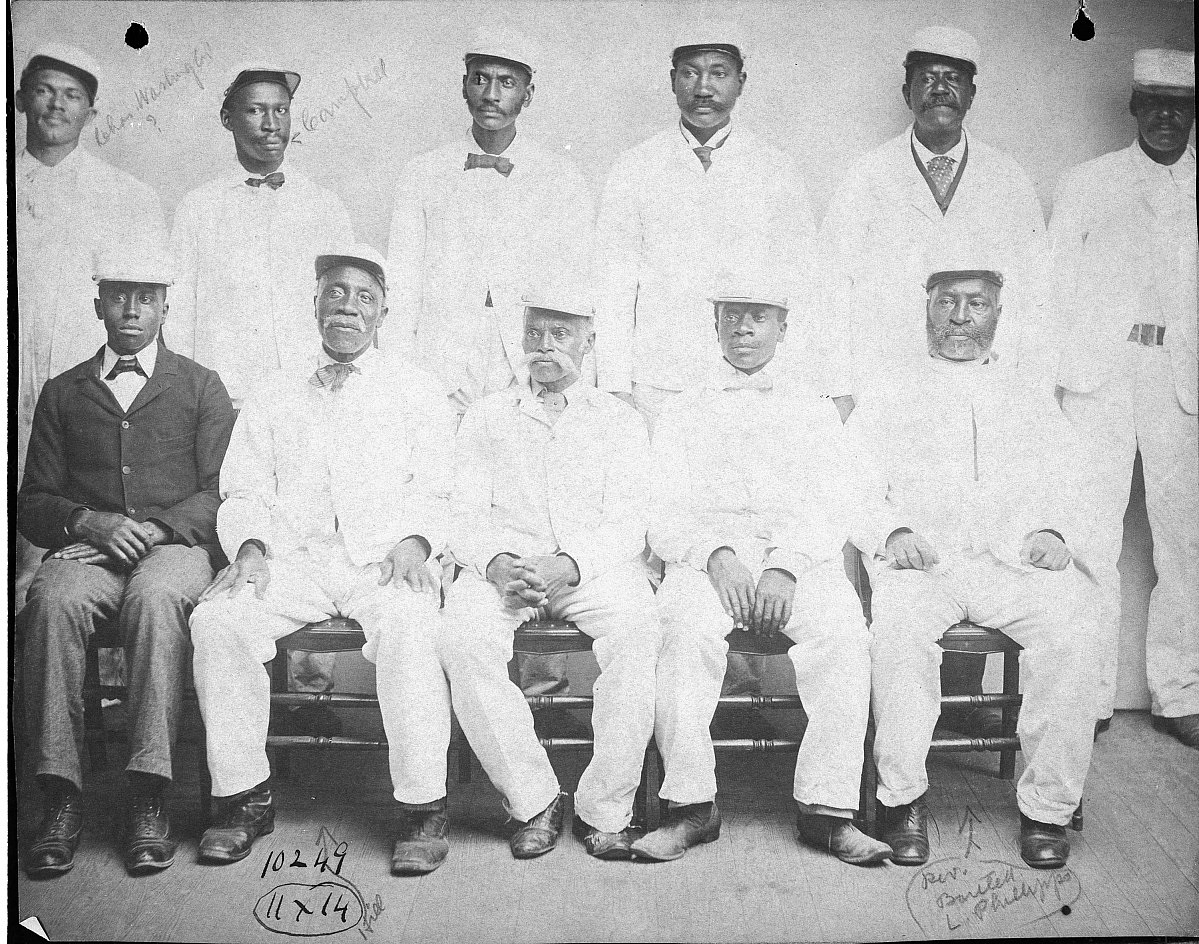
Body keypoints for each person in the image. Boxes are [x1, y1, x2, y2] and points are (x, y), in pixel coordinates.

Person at [189, 247, 457, 874]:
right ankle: (242, 797)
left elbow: (442, 486)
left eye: (365, 298)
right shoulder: (275, 388)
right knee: (219, 621)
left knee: (414, 627)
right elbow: (245, 487)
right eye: (335, 293)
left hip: (385, 559)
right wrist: (251, 546)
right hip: (296, 558)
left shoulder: (415, 388)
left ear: (383, 314)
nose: (348, 307)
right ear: (314, 303)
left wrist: (416, 540)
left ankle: (423, 807)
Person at [816, 25, 1052, 735]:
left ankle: (961, 704)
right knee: (891, 544)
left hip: (980, 379)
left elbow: (1034, 292)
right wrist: (837, 388)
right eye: (926, 76)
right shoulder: (866, 175)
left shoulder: (1005, 178)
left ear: (971, 92)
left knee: (975, 523)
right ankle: (880, 711)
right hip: (885, 382)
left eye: (953, 77)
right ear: (906, 90)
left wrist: (1020, 383)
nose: (939, 89)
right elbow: (829, 285)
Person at [592, 22, 816, 713]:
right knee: (663, 542)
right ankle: (660, 715)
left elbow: (799, 282)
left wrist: (787, 385)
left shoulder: (775, 169)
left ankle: (737, 700)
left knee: (748, 519)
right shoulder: (634, 167)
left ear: (740, 82)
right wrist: (615, 387)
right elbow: (609, 282)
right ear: (671, 80)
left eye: (718, 72)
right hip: (658, 383)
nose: (703, 87)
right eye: (689, 72)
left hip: (747, 378)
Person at [850, 266, 1099, 870]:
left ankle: (1047, 808)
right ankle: (901, 801)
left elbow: (1072, 479)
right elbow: (850, 481)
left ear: (998, 313)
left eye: (977, 304)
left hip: (1009, 561)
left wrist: (1056, 533)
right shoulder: (890, 386)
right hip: (921, 562)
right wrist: (890, 532)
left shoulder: (1027, 389)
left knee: (1074, 628)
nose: (961, 317)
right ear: (927, 309)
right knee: (901, 639)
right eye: (947, 302)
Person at [636, 284, 892, 867]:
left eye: (758, 318)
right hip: (708, 561)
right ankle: (690, 806)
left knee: (844, 636)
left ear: (784, 327)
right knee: (681, 632)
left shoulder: (812, 406)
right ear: (715, 324)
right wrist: (715, 555)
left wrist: (787, 564)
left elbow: (834, 502)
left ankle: (827, 811)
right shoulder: (684, 406)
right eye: (732, 317)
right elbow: (662, 506)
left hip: (799, 561)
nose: (744, 329)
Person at [386, 28, 595, 728]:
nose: (492, 95)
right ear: (464, 84)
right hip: (439, 362)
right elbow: (402, 281)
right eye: (480, 79)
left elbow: (568, 285)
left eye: (507, 83)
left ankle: (538, 689)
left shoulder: (560, 179)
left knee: (531, 501)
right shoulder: (421, 172)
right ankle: (445, 685)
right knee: (447, 507)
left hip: (522, 359)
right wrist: (413, 380)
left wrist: (548, 368)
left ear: (527, 94)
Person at [18, 247, 235, 878]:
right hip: (89, 550)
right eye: (118, 296)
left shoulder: (199, 385)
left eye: (145, 297)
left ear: (167, 306)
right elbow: (33, 499)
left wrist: (157, 527)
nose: (131, 310)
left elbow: (224, 487)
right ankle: (60, 793)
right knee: (53, 600)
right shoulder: (64, 393)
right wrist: (88, 521)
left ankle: (149, 793)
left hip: (174, 548)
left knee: (157, 600)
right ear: (98, 307)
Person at [438, 293, 659, 861]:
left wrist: (570, 565)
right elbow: (463, 513)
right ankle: (533, 797)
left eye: (561, 335)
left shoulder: (620, 419)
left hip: (591, 570)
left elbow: (631, 519)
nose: (544, 347)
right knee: (460, 637)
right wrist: (495, 564)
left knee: (639, 630)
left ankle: (606, 808)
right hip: (505, 572)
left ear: (589, 342)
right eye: (534, 334)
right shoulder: (487, 414)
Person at [170, 62, 356, 715]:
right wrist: (196, 402)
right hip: (227, 401)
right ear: (228, 118)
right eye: (254, 110)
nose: (270, 122)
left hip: (305, 398)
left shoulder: (321, 203)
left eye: (279, 109)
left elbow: (346, 309)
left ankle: (309, 695)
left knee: (312, 529)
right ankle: (236, 697)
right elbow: (185, 313)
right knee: (246, 531)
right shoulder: (200, 207)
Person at [1050, 49, 1197, 748]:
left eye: (1181, 104)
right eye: (1153, 102)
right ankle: (1088, 688)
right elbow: (1050, 289)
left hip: (1183, 380)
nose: (1166, 116)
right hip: (1098, 378)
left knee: (1186, 541)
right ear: (1133, 107)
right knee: (1088, 534)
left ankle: (1180, 693)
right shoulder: (1088, 183)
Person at [14, 42, 166, 603]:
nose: (56, 105)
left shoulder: (127, 195)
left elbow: (145, 312)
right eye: (45, 90)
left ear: (90, 113)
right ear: (21, 99)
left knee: (62, 559)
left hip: (86, 391)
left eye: (72, 95)